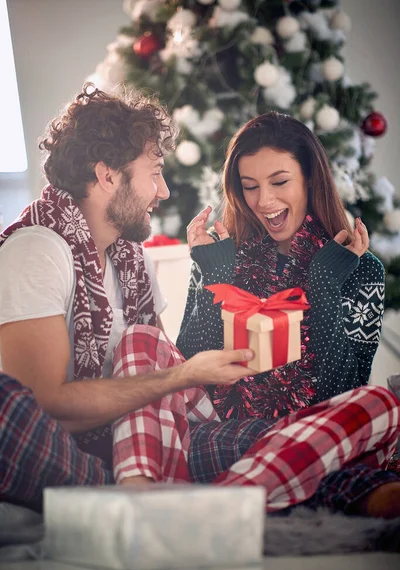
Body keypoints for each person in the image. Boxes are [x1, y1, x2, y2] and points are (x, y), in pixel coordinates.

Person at [113, 112, 400, 519]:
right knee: (141, 340)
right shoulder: (225, 257)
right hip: (227, 434)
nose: (264, 201)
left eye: (280, 182)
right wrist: (214, 275)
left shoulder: (359, 268)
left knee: (377, 403)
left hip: (309, 433)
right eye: (250, 187)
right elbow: (190, 372)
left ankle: (214, 502)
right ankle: (317, 484)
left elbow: (342, 391)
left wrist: (323, 283)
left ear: (311, 180)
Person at [0, 84, 256, 511]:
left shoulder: (130, 258)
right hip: (65, 455)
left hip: (138, 440)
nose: (164, 191)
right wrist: (180, 378)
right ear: (107, 176)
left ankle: (148, 495)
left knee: (287, 432)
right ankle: (142, 502)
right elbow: (44, 408)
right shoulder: (37, 252)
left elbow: (162, 364)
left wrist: (211, 275)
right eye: (154, 172)